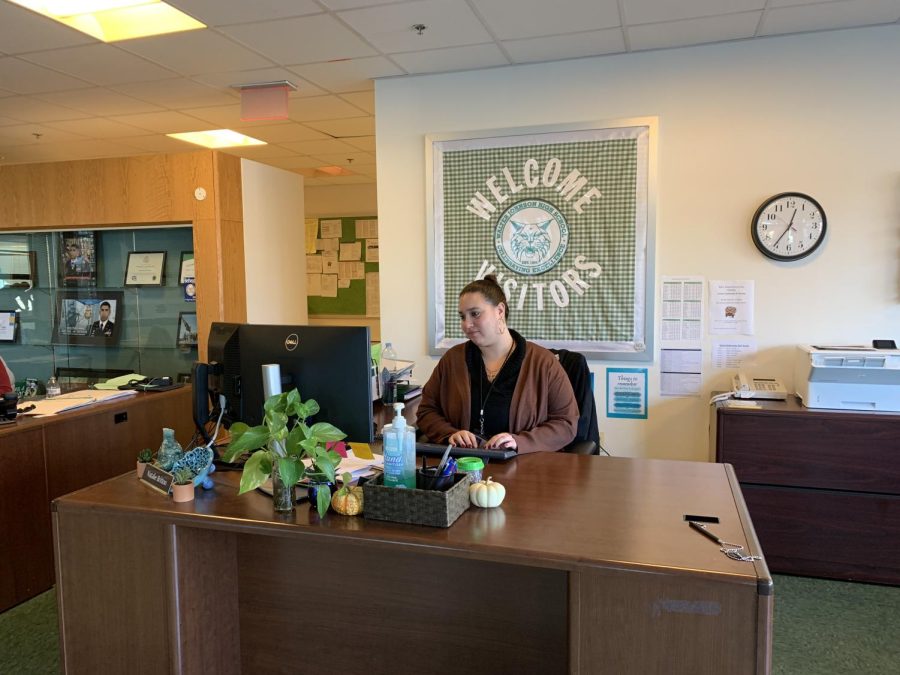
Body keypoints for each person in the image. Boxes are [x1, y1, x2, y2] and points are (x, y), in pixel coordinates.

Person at [417, 275, 578, 453]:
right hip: (465, 465)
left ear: (500, 311)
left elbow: (566, 424)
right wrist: (449, 434)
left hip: (525, 468)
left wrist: (519, 442)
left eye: (475, 314)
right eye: (462, 316)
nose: (467, 324)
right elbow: (426, 411)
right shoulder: (452, 360)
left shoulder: (543, 363)